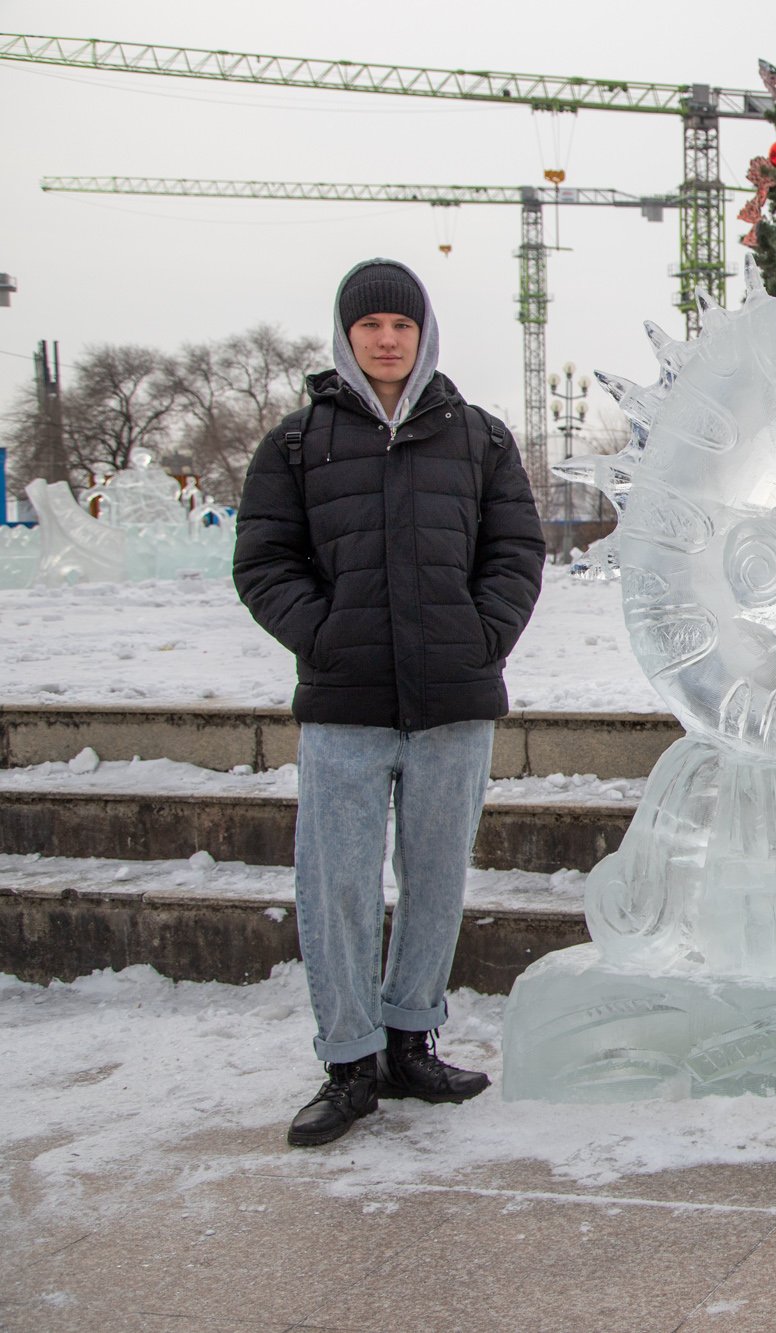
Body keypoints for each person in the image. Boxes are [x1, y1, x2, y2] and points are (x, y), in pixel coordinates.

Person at [235, 259, 545, 1147]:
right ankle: (348, 1061)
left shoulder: (478, 439)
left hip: (453, 698)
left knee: (437, 877)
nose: (386, 338)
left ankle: (412, 1039)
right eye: (369, 324)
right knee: (334, 884)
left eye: (400, 325)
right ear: (346, 335)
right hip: (346, 701)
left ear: (423, 333)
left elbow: (516, 550)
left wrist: (481, 636)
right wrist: (323, 634)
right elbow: (263, 561)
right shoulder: (299, 444)